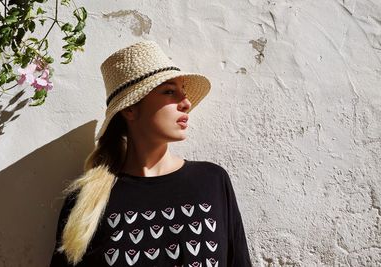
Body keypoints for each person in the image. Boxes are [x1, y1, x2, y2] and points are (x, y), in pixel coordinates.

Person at [49, 40, 252, 267]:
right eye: (169, 92)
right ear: (130, 108)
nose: (185, 103)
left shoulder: (212, 181)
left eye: (183, 92)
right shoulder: (86, 203)